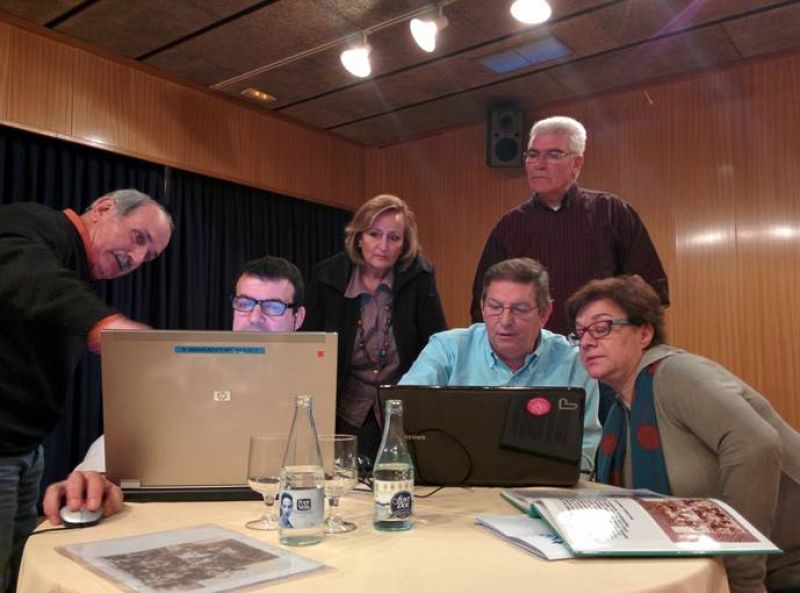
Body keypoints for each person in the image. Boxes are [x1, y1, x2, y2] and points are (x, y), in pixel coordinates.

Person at [565, 275, 800, 593]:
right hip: (715, 571)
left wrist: (742, 578)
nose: (587, 342)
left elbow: (756, 445)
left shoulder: (676, 373)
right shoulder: (621, 410)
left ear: (644, 332)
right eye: (580, 333)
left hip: (782, 571)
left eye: (602, 327)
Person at [41, 256, 307, 523]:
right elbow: (133, 433)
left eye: (273, 307)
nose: (254, 317)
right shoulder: (187, 375)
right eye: (244, 303)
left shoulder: (313, 390)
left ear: (298, 317)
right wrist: (97, 475)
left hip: (280, 520)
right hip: (191, 521)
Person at [0, 190, 173, 589]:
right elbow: (26, 273)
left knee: (16, 570)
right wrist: (107, 327)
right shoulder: (32, 225)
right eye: (139, 237)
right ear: (103, 208)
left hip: (27, 451)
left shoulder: (76, 272)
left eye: (148, 255)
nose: (136, 257)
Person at [469, 115, 669, 336]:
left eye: (553, 154)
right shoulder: (509, 227)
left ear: (577, 163)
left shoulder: (612, 212)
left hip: (602, 351)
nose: (539, 164)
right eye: (533, 155)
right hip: (533, 358)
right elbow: (483, 305)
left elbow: (652, 291)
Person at [400, 258, 601, 470]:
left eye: (520, 309)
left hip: (542, 490)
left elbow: (584, 454)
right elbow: (400, 409)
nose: (505, 320)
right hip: (455, 485)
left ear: (545, 313)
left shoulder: (574, 363)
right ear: (482, 307)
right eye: (495, 307)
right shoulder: (447, 348)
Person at [305, 194, 446, 464]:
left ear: (404, 245)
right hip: (342, 409)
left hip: (401, 410)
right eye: (374, 234)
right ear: (359, 237)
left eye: (394, 238)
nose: (383, 245)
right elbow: (310, 346)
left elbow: (435, 346)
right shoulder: (328, 277)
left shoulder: (420, 277)